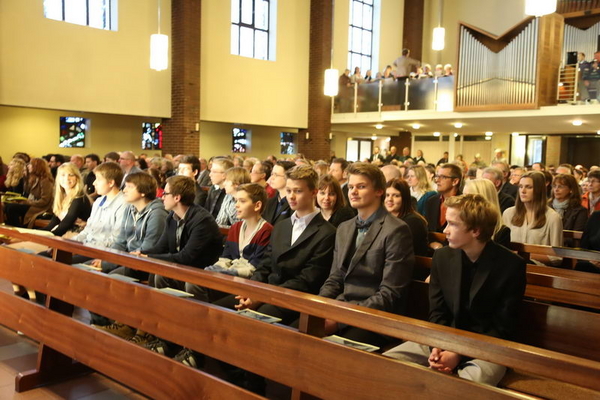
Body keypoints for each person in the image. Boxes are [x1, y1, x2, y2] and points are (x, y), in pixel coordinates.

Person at [384, 194, 526, 387]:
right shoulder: (442, 257)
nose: (445, 230)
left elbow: (502, 327)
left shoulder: (510, 265)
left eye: (452, 224)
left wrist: (458, 354)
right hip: (442, 338)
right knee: (389, 363)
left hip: (489, 349)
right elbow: (437, 312)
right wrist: (438, 347)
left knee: (466, 386)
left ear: (475, 230)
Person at [222, 165, 336, 324]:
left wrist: (262, 297)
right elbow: (265, 265)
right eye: (288, 191)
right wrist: (251, 290)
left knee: (247, 321)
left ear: (314, 192)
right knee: (218, 309)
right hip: (267, 291)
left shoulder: (327, 232)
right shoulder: (282, 225)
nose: (291, 196)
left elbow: (307, 280)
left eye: (298, 191)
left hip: (294, 299)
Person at [318, 164, 414, 348]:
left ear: (379, 191)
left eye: (361, 186)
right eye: (350, 187)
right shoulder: (344, 227)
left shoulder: (397, 230)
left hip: (376, 318)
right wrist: (320, 308)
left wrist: (340, 319)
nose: (353, 192)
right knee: (294, 333)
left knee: (330, 349)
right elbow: (335, 277)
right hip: (341, 307)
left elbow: (389, 293)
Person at [205, 183, 273, 278]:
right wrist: (215, 269)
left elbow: (255, 267)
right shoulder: (235, 227)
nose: (236, 205)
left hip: (246, 279)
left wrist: (228, 273)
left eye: (242, 201)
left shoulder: (266, 231)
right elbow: (226, 257)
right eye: (236, 201)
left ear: (257, 205)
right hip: (229, 275)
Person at [503, 171, 563, 265]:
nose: (523, 191)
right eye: (520, 186)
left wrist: (525, 256)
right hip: (511, 265)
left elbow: (556, 257)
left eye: (529, 187)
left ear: (539, 190)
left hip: (537, 267)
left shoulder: (552, 217)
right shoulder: (509, 213)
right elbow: (503, 247)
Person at [71, 162, 127, 255]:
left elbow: (115, 240)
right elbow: (87, 231)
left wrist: (84, 247)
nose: (94, 183)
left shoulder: (124, 204)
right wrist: (69, 243)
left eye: (98, 179)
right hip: (88, 246)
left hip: (102, 251)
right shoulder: (98, 201)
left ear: (111, 183)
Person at [43, 163, 92, 236]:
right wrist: (32, 232)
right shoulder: (62, 197)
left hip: (77, 237)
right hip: (66, 234)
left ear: (77, 178)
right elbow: (51, 226)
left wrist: (41, 236)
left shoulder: (79, 198)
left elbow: (63, 227)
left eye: (71, 175)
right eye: (63, 175)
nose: (67, 178)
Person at [385, 178, 429, 256]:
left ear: (404, 198)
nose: (390, 199)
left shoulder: (413, 222)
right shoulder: (383, 218)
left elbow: (398, 251)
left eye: (396, 196)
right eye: (387, 195)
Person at [4, 158, 54, 228]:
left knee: (12, 208)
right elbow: (27, 194)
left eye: (30, 164)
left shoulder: (45, 181)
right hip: (33, 204)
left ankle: (17, 228)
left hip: (41, 208)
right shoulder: (34, 179)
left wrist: (27, 202)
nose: (28, 166)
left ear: (37, 167)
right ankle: (12, 228)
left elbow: (44, 201)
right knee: (8, 206)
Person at [462, 179, 511, 248]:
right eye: (463, 196)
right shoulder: (459, 224)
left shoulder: (502, 232)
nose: (462, 201)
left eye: (467, 198)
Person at [424, 163, 462, 232]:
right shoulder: (431, 201)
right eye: (437, 176)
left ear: (455, 181)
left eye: (443, 177)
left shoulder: (464, 203)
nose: (437, 180)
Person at [262, 160, 295, 225]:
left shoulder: (294, 203)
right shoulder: (269, 202)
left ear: (288, 177)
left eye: (276, 175)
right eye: (272, 174)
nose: (271, 178)